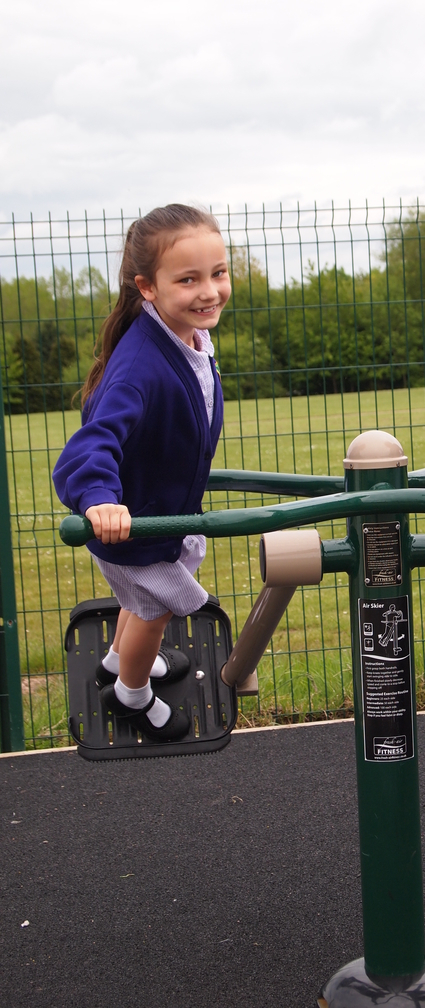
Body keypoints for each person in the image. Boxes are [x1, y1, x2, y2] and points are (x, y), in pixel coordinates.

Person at [53, 204, 230, 741]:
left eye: (218, 273)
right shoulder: (139, 367)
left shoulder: (187, 337)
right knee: (153, 611)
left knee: (140, 603)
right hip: (134, 525)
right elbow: (92, 444)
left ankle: (118, 661)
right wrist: (98, 497)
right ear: (147, 287)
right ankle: (131, 693)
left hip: (163, 507)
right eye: (188, 279)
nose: (209, 291)